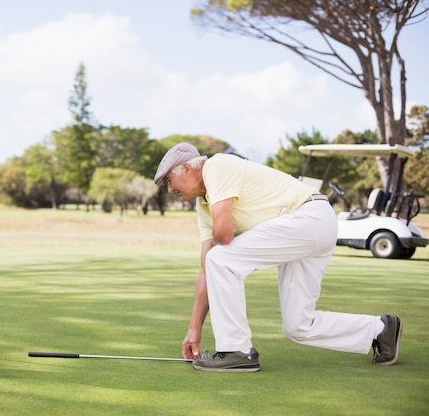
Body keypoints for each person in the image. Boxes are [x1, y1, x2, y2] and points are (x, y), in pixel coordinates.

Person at [153, 142, 402, 372]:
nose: (170, 189)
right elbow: (207, 271)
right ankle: (381, 330)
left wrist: (218, 257)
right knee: (299, 326)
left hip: (309, 216)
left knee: (221, 258)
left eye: (169, 180)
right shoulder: (203, 205)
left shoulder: (217, 165)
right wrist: (193, 330)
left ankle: (237, 350)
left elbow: (224, 236)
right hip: (304, 228)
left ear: (186, 168)